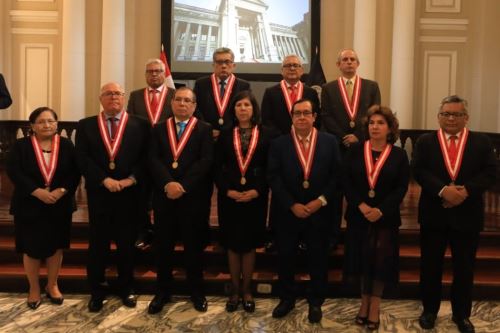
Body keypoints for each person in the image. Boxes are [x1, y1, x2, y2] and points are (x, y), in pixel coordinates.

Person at [412, 95, 496, 333]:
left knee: (464, 268)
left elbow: (491, 172)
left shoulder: (480, 142)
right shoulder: (425, 141)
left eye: (456, 114)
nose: (451, 118)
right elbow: (418, 170)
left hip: (467, 215)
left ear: (466, 118)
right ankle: (429, 311)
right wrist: (443, 191)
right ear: (439, 116)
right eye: (446, 114)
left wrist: (465, 191)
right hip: (433, 214)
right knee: (430, 266)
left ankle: (462, 315)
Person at [75, 82, 150, 312]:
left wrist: (130, 179)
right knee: (98, 245)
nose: (113, 97)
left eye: (117, 93)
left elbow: (147, 158)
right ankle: (96, 290)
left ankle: (126, 288)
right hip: (100, 194)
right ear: (100, 99)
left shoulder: (141, 125)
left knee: (127, 245)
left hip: (130, 194)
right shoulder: (86, 125)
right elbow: (82, 158)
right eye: (108, 94)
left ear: (124, 97)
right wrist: (104, 179)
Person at [267, 98, 340, 323]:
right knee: (286, 256)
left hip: (319, 211)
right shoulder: (279, 143)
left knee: (318, 257)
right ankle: (287, 298)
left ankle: (316, 300)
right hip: (288, 211)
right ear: (292, 117)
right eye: (297, 113)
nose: (301, 117)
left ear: (314, 116)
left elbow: (336, 176)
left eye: (306, 113)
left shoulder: (330, 142)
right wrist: (292, 204)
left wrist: (320, 200)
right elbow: (273, 176)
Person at [341, 105, 409, 330]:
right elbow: (346, 181)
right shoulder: (355, 150)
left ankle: (375, 306)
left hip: (385, 218)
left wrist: (381, 209)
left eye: (380, 123)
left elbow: (401, 187)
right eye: (371, 123)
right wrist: (361, 205)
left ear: (390, 128)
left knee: (380, 262)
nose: (375, 127)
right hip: (358, 215)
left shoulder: (399, 155)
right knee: (362, 259)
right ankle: (364, 303)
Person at [148, 87, 214, 314]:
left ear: (194, 106)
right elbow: (153, 159)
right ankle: (162, 292)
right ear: (172, 103)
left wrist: (183, 186)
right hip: (165, 196)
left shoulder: (204, 129)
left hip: (192, 198)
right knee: (163, 247)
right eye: (178, 100)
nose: (182, 104)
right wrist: (168, 183)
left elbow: (205, 161)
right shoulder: (158, 129)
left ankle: (196, 291)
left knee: (193, 247)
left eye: (188, 101)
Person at [6, 107, 80, 309]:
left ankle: (52, 284)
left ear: (57, 124)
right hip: (29, 204)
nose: (46, 125)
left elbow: (75, 172)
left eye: (50, 121)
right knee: (30, 248)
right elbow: (14, 171)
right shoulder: (21, 145)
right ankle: (34, 288)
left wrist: (61, 191)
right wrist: (37, 191)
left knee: (56, 246)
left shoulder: (66, 145)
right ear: (32, 126)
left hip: (59, 204)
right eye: (41, 122)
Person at [215, 91, 273, 313]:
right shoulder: (225, 134)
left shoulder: (267, 134)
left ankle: (247, 290)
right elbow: (216, 167)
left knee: (249, 244)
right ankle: (234, 290)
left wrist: (258, 191)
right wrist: (227, 190)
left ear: (253, 109)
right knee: (232, 243)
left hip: (254, 197)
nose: (242, 109)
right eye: (238, 105)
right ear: (234, 110)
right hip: (229, 196)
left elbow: (270, 168)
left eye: (246, 105)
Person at [321, 49, 381, 248]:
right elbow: (326, 116)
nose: (348, 62)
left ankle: (361, 237)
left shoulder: (371, 87)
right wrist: (343, 137)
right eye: (344, 60)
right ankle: (332, 236)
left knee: (361, 190)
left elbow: (375, 116)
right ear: (338, 65)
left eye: (352, 59)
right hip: (338, 147)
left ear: (358, 63)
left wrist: (359, 136)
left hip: (363, 146)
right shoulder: (328, 88)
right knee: (336, 193)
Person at [261, 54, 321, 252]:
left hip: (307, 146)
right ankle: (276, 234)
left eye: (296, 65)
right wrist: (287, 137)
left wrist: (303, 133)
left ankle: (305, 236)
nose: (292, 68)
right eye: (288, 66)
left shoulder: (311, 92)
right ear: (282, 70)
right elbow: (267, 121)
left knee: (304, 189)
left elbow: (316, 120)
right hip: (283, 147)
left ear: (302, 70)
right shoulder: (271, 92)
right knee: (281, 191)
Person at [127, 58, 175, 250]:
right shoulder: (135, 95)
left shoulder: (175, 95)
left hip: (167, 155)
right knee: (141, 196)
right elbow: (130, 123)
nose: (154, 74)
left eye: (157, 71)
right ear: (146, 74)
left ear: (164, 74)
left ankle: (165, 232)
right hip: (142, 154)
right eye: (150, 71)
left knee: (163, 196)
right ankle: (145, 231)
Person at [193, 47, 251, 139]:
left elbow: (246, 112)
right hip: (206, 135)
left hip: (232, 136)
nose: (223, 66)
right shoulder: (201, 84)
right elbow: (195, 109)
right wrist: (206, 129)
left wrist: (228, 131)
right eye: (219, 62)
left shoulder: (244, 86)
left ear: (233, 65)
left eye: (227, 62)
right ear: (213, 65)